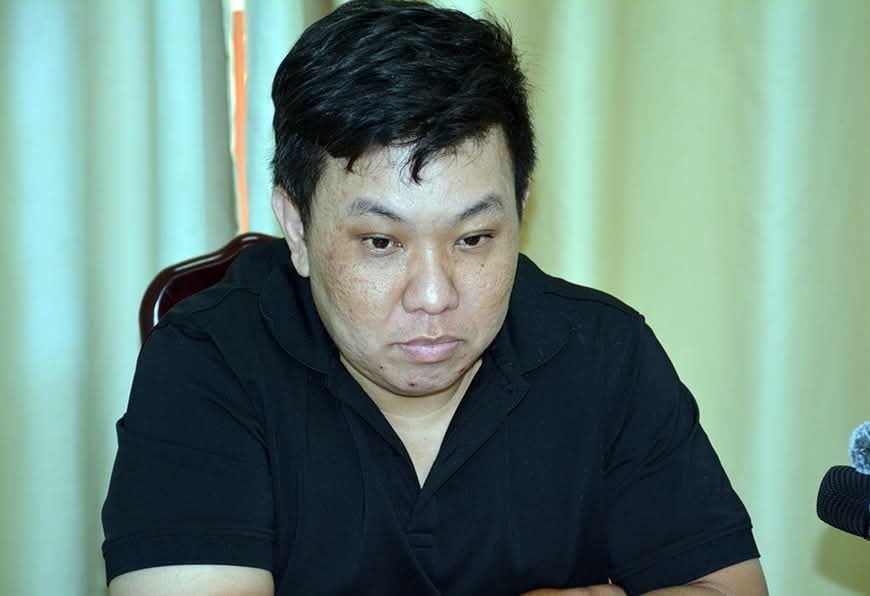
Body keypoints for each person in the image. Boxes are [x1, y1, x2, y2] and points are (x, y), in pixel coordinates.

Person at [101, 1, 768, 594]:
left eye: (474, 238)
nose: (433, 295)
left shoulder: (603, 353)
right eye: (381, 242)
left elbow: (725, 587)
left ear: (521, 209)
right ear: (297, 228)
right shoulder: (210, 361)